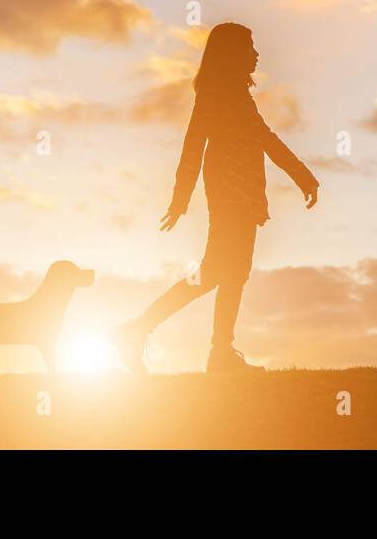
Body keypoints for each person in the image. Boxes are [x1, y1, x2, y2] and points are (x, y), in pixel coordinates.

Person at [112, 22, 319, 373]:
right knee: (216, 273)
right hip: (229, 194)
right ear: (230, 53)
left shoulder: (239, 94)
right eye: (248, 47)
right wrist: (180, 199)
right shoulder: (213, 93)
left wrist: (302, 175)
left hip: (245, 194)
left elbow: (265, 137)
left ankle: (214, 350)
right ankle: (151, 334)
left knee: (229, 273)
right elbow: (193, 143)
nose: (255, 54)